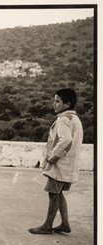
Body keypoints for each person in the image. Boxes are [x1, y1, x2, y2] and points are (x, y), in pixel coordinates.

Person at [29, 88, 83, 234]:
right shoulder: (75, 119)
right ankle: (65, 224)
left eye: (57, 101)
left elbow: (66, 141)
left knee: (53, 194)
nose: (54, 104)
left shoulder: (63, 119)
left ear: (67, 104)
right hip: (69, 164)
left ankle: (47, 225)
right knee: (59, 194)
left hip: (60, 165)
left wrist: (52, 157)